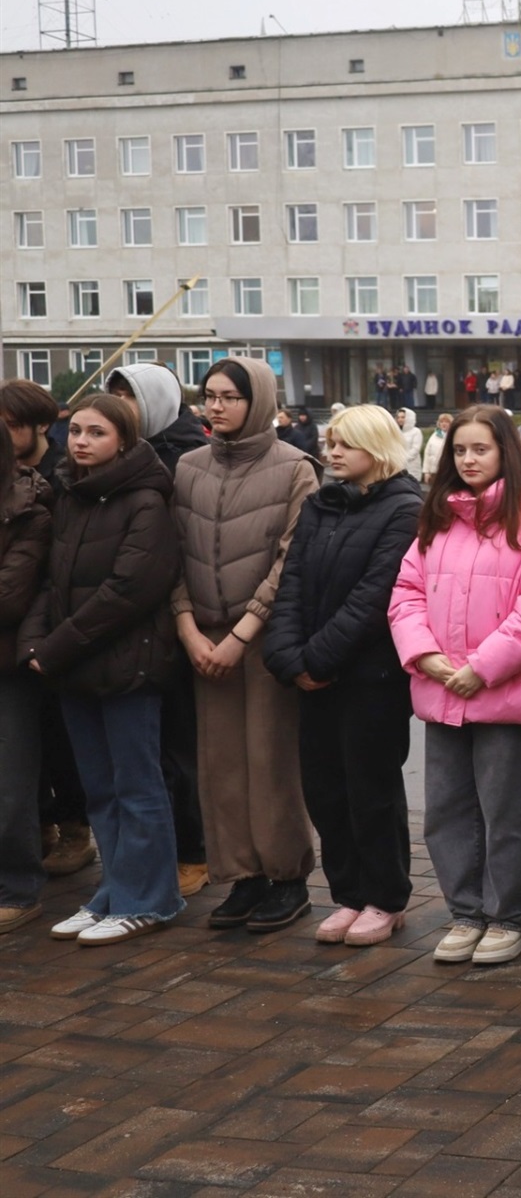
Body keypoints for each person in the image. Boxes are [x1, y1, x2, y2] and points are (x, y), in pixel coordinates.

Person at [390, 405, 521, 966]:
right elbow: (406, 593)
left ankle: (509, 917)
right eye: (460, 450)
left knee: (507, 814)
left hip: (508, 695)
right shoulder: (438, 521)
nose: (468, 460)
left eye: (481, 449)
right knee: (448, 810)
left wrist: (482, 666)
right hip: (445, 689)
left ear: (508, 453)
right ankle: (466, 913)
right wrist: (424, 654)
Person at [20, 394, 181, 945]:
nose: (81, 442)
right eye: (76, 431)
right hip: (75, 667)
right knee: (99, 789)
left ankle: (149, 900)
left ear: (125, 440)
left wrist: (55, 647)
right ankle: (113, 892)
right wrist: (35, 644)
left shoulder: (146, 498)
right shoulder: (71, 494)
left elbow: (129, 590)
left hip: (128, 665)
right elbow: (50, 580)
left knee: (137, 786)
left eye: (97, 433)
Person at [262, 406, 423, 947]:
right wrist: (291, 660)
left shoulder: (405, 508)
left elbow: (374, 598)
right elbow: (291, 583)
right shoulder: (321, 504)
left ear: (376, 448)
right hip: (316, 676)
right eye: (331, 442)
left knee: (371, 790)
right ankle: (349, 895)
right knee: (325, 791)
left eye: (345, 444)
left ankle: (385, 898)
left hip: (371, 679)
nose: (332, 452)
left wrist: (317, 661)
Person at [171, 357, 321, 932]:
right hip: (203, 639)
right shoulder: (188, 466)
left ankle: (287, 878)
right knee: (220, 764)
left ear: (257, 400)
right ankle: (242, 876)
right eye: (209, 395)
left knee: (270, 759)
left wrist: (243, 632)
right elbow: (171, 553)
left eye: (230, 397)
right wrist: (187, 627)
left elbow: (291, 558)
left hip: (262, 639)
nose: (216, 406)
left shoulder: (294, 468)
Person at [107, 363, 213, 898]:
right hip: (130, 622)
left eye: (129, 395)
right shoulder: (118, 455)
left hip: (180, 616)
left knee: (179, 742)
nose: (121, 405)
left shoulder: (185, 459)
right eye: (114, 394)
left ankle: (194, 849)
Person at [1, 381, 90, 881]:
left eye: (13, 424)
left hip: (48, 622)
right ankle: (39, 825)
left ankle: (74, 826)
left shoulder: (56, 476)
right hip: (13, 631)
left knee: (57, 737)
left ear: (38, 426)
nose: (6, 433)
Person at [0, 421, 52, 936]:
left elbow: (10, 596)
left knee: (10, 784)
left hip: (8, 665)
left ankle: (17, 888)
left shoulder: (29, 509)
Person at [107, 364, 211, 474]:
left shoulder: (192, 461)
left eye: (132, 396)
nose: (120, 403)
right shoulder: (111, 448)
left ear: (158, 402)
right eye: (116, 396)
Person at [422, 413, 452, 486]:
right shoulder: (434, 436)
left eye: (446, 422)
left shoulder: (453, 436)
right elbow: (427, 453)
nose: (444, 424)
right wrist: (426, 472)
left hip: (449, 472)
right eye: (442, 422)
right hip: (434, 472)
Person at [396, 408, 425, 480]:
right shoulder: (397, 432)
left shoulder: (416, 431)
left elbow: (416, 449)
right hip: (398, 467)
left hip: (412, 466)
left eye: (403, 417)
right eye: (398, 417)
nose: (400, 419)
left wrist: (403, 459)